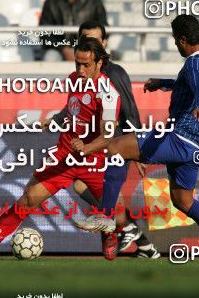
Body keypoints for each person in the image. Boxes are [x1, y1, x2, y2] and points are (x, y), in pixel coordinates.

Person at [75, 15, 199, 260]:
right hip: (197, 144)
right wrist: (163, 84)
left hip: (180, 137)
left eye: (176, 42)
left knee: (115, 146)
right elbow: (191, 84)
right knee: (183, 201)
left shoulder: (194, 64)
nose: (176, 46)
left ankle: (105, 216)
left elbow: (198, 88)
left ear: (184, 40)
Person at [0, 37, 121, 259]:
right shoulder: (74, 79)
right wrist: (55, 119)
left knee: (117, 214)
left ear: (100, 63)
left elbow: (108, 136)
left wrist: (86, 147)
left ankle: (109, 232)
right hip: (64, 157)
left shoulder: (109, 95)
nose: (80, 70)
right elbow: (72, 108)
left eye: (86, 65)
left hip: (94, 161)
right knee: (27, 200)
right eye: (77, 64)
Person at [49, 21, 160, 260]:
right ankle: (143, 245)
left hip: (114, 145)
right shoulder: (80, 74)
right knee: (92, 189)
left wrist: (140, 148)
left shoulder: (114, 73)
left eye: (96, 40)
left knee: (95, 190)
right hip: (93, 145)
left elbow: (130, 110)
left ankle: (126, 229)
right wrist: (57, 118)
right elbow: (73, 107)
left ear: (104, 45)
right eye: (85, 39)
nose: (91, 44)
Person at [39, 0, 107, 61]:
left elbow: (103, 26)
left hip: (89, 47)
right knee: (50, 57)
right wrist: (63, 49)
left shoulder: (93, 0)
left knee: (103, 58)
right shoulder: (51, 3)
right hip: (58, 50)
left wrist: (89, 46)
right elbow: (44, 34)